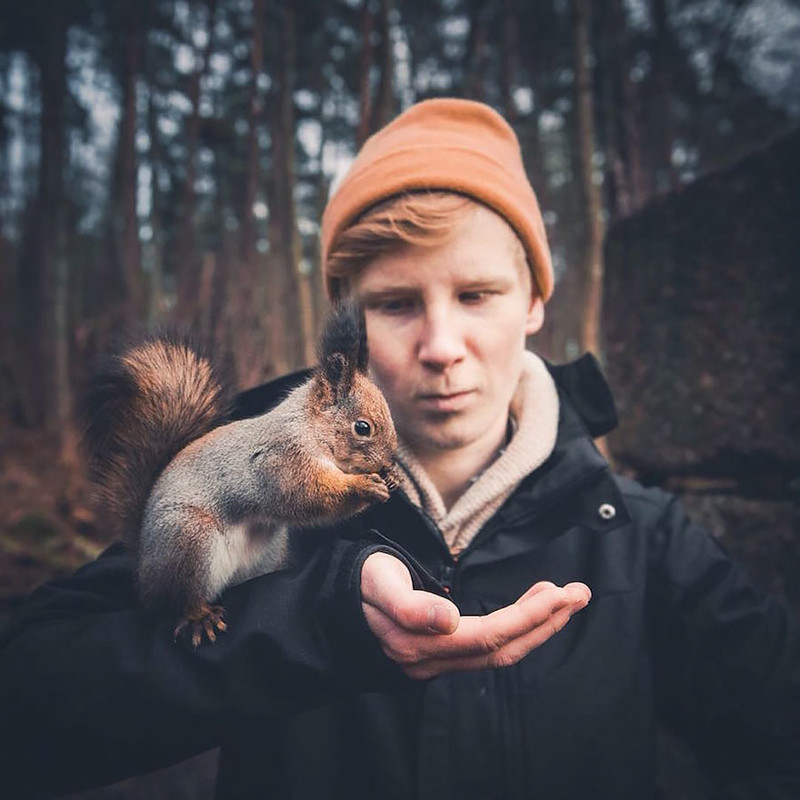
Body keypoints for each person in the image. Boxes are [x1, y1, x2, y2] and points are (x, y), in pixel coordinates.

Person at [2, 98, 799, 799]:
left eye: (477, 294)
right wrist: (310, 625)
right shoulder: (241, 475)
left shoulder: (642, 536)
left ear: (535, 302)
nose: (441, 345)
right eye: (395, 304)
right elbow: (29, 697)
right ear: (350, 333)